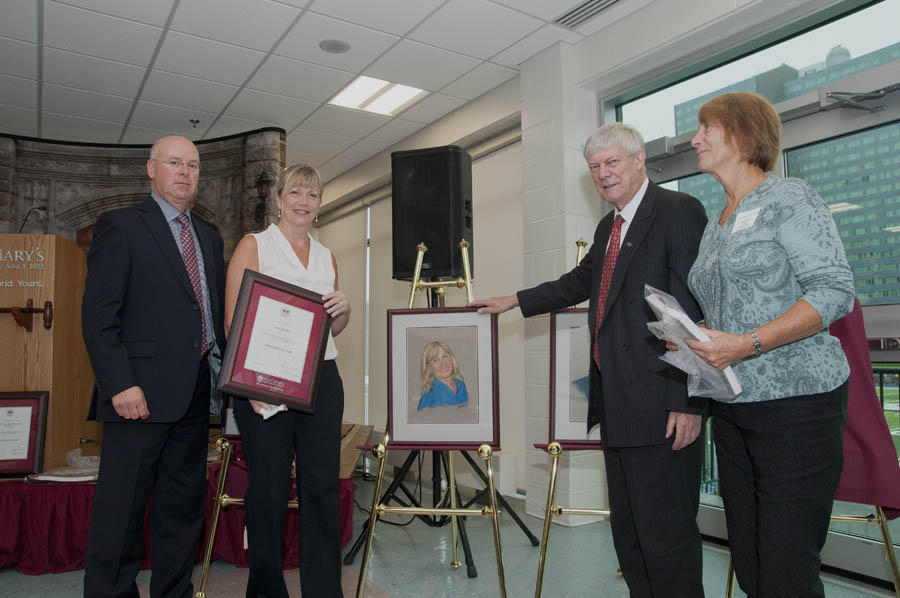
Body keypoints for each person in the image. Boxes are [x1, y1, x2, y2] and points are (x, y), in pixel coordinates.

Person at [471, 122, 708, 597]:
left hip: (662, 405)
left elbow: (690, 311)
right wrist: (515, 300)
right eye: (594, 167)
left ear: (639, 159)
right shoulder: (609, 227)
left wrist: (688, 402)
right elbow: (579, 282)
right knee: (631, 538)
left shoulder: (678, 211)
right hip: (616, 406)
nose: (603, 174)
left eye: (612, 162)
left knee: (667, 540)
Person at [684, 92, 854, 597]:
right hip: (734, 406)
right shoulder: (716, 224)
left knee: (786, 569)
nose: (695, 140)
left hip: (797, 406)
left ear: (741, 134)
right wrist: (691, 337)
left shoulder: (789, 198)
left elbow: (834, 291)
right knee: (752, 562)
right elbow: (729, 310)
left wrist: (746, 343)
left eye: (706, 129)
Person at [81, 135, 226, 597]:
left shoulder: (209, 237)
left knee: (181, 511)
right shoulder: (120, 226)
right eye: (174, 163)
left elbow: (212, 315)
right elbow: (99, 317)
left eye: (193, 165)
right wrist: (119, 384)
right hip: (136, 397)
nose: (185, 172)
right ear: (151, 168)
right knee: (120, 513)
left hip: (194, 395)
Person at [225, 164, 350, 598]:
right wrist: (250, 388)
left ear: (319, 204)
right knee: (269, 489)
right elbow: (232, 323)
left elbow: (332, 330)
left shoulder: (327, 256)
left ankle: (324, 591)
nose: (303, 201)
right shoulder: (254, 245)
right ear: (278, 199)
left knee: (322, 489)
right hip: (265, 384)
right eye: (295, 192)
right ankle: (265, 591)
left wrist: (344, 312)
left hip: (322, 380)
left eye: (312, 195)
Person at [417, 341, 469, 410]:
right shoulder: (429, 397)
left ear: (452, 359)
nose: (443, 363)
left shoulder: (460, 385)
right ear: (429, 368)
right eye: (435, 360)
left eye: (445, 356)